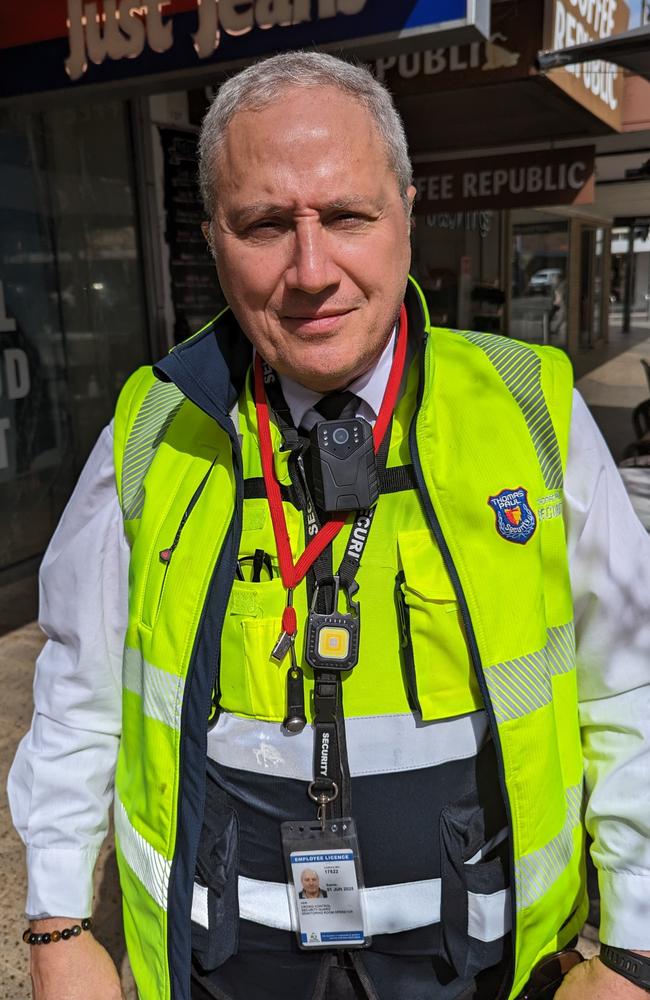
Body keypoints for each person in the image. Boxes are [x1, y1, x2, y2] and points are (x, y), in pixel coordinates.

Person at [7, 51, 650, 1000]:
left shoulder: (530, 411)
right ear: (215, 239)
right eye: (266, 224)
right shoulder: (155, 425)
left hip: (478, 968)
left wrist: (634, 948)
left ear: (406, 210)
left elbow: (631, 689)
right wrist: (59, 922)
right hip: (228, 966)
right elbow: (78, 693)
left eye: (347, 216)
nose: (313, 272)